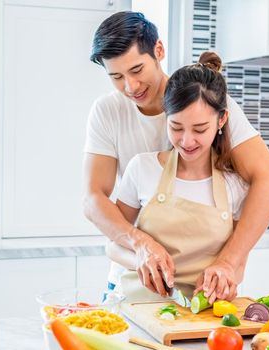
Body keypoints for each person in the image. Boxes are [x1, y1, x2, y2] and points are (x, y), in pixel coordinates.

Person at [82, 11, 269, 303]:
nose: (130, 86)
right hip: (136, 282)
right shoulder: (108, 114)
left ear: (159, 51)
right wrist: (140, 244)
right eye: (116, 77)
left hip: (205, 294)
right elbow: (93, 199)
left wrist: (229, 261)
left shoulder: (206, 101)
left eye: (137, 70)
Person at [107, 51, 248, 302]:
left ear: (222, 120)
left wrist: (227, 280)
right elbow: (113, 245)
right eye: (176, 127)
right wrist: (142, 256)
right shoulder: (142, 168)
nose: (187, 141)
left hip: (202, 318)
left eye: (199, 129)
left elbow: (238, 263)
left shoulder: (235, 184)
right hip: (139, 307)